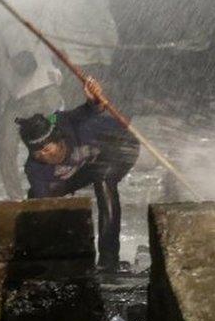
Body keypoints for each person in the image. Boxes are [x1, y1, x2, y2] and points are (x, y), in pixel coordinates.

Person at [16, 77, 139, 273]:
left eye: (47, 149)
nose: (44, 156)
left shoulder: (70, 123)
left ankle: (109, 259)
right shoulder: (35, 168)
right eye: (38, 154)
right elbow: (43, 202)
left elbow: (90, 109)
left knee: (104, 181)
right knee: (37, 199)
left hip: (119, 147)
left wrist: (94, 99)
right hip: (84, 167)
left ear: (58, 139)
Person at [0, 21, 65, 199]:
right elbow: (5, 73)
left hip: (43, 93)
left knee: (52, 141)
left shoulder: (24, 24)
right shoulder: (2, 35)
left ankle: (52, 190)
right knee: (6, 148)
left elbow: (28, 62)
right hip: (19, 100)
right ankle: (16, 198)